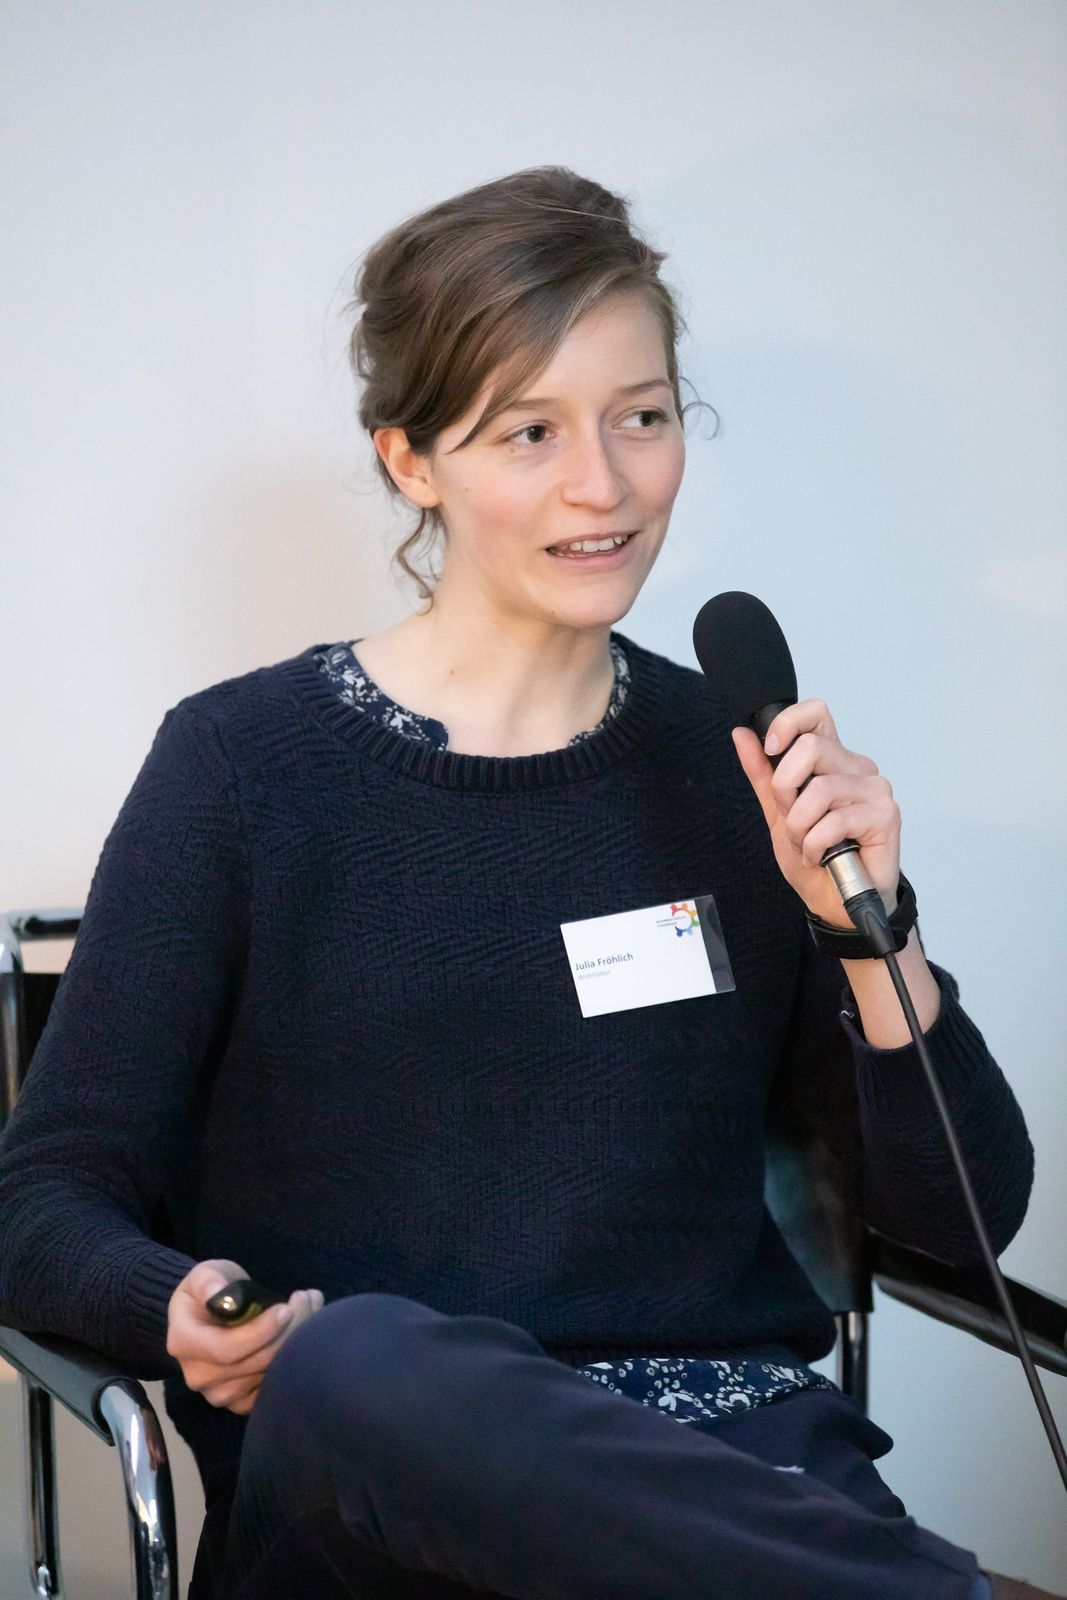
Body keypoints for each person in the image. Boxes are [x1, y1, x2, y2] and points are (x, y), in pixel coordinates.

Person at [0, 166, 1056, 1600]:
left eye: (642, 417)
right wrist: (173, 1303)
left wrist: (873, 931)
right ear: (410, 461)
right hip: (380, 1499)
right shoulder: (240, 769)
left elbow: (964, 1219)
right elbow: (42, 1200)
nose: (601, 486)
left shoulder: (735, 767)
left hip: (732, 1476)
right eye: (529, 431)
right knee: (361, 1355)